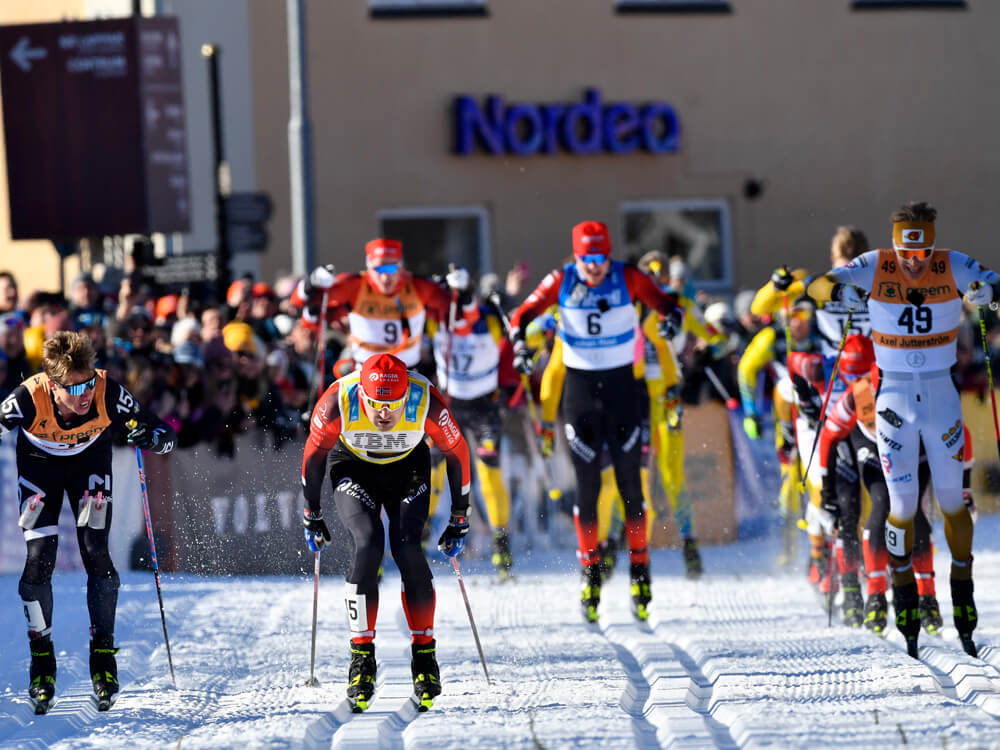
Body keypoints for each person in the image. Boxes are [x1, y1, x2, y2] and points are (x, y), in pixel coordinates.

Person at [806, 201, 1000, 657]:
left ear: (932, 244)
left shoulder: (951, 263)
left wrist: (987, 293)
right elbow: (815, 285)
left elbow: (994, 283)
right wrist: (838, 292)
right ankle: (902, 595)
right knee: (901, 506)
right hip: (892, 399)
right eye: (906, 254)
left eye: (922, 254)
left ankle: (962, 593)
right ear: (895, 246)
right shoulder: (876, 264)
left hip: (940, 397)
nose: (914, 264)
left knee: (952, 504)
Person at [508, 221, 683, 623]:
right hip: (581, 395)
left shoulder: (628, 276)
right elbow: (522, 315)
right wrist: (520, 345)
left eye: (601, 258)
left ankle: (640, 573)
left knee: (630, 487)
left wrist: (671, 321)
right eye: (587, 259)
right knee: (587, 491)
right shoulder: (562, 280)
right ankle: (590, 574)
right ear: (577, 257)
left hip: (623, 395)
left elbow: (667, 305)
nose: (595, 267)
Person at [0, 331, 176, 712]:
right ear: (52, 385)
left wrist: (149, 437)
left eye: (88, 383)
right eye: (74, 388)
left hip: (88, 461)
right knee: (39, 557)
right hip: (40, 465)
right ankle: (42, 663)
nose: (84, 395)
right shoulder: (27, 398)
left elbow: (167, 434)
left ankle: (103, 659)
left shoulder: (106, 390)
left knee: (96, 550)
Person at [300, 353, 472, 712]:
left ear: (406, 394)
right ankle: (361, 658)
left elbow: (457, 452)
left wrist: (460, 515)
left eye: (393, 405)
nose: (384, 414)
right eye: (376, 404)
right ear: (362, 394)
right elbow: (314, 455)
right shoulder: (337, 401)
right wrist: (311, 512)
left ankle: (424, 656)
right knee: (368, 543)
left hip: (408, 468)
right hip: (353, 468)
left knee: (408, 547)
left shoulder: (426, 400)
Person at [427, 296, 518, 580]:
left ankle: (501, 543)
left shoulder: (488, 319)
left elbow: (510, 322)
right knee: (434, 468)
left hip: (484, 406)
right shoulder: (439, 319)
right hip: (450, 403)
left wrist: (504, 296)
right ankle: (422, 531)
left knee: (489, 474)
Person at [291, 238, 477, 370]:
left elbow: (465, 322)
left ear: (401, 267)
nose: (385, 276)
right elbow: (299, 303)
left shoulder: (419, 286)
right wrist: (312, 282)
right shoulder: (355, 286)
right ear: (368, 268)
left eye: (391, 267)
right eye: (379, 268)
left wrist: (465, 289)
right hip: (365, 369)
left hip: (408, 370)